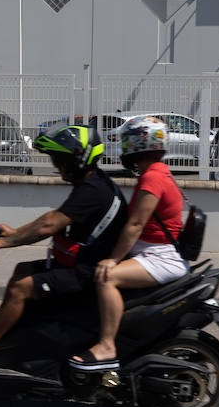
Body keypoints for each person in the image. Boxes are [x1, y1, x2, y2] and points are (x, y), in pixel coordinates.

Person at [0, 123, 126, 368]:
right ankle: (6, 332)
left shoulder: (93, 190)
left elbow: (49, 225)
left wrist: (3, 241)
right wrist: (15, 232)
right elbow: (56, 218)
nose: (57, 165)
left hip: (88, 273)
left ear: (78, 159)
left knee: (21, 287)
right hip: (82, 265)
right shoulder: (95, 183)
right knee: (23, 269)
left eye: (60, 159)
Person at [70, 116, 190, 371]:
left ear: (138, 143)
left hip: (159, 257)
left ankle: (106, 346)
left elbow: (135, 224)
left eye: (126, 141)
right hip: (153, 252)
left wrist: (113, 260)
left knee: (106, 277)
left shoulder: (153, 177)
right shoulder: (158, 172)